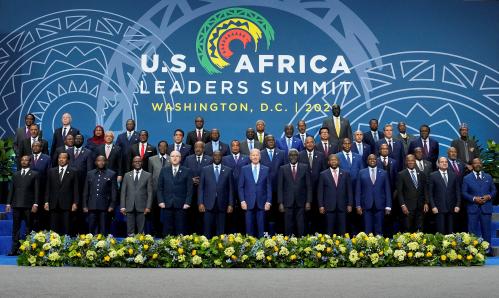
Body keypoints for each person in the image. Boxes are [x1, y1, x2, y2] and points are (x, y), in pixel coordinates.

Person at [6, 156, 39, 255]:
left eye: (26, 160)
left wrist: (36, 203)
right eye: (22, 160)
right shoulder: (16, 174)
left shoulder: (34, 174)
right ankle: (14, 249)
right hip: (16, 204)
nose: (24, 162)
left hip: (29, 205)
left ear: (30, 162)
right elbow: (11, 190)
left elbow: (37, 190)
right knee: (16, 228)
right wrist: (8, 203)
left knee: (29, 227)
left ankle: (28, 249)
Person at [462, 158, 496, 252]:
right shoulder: (467, 178)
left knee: (486, 231)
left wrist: (488, 196)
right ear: (472, 165)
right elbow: (464, 193)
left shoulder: (488, 177)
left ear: (482, 164)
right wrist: (474, 198)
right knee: (472, 231)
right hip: (473, 208)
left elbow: (494, 191)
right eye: (475, 163)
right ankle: (472, 251)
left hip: (486, 208)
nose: (477, 164)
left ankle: (487, 250)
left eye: (479, 163)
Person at [198, 151, 234, 238]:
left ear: (222, 157)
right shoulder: (205, 169)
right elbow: (201, 188)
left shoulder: (228, 170)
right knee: (207, 229)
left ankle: (220, 248)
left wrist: (231, 204)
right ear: (212, 157)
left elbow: (231, 189)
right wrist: (200, 203)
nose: (217, 157)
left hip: (222, 204)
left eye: (219, 155)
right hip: (207, 204)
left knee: (221, 230)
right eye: (215, 155)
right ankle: (207, 249)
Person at [157, 151, 193, 236]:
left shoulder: (187, 171)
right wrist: (161, 201)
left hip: (181, 205)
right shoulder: (164, 170)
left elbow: (190, 189)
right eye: (172, 156)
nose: (175, 158)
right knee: (167, 229)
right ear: (170, 158)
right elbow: (159, 188)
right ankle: (167, 247)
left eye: (177, 156)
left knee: (180, 229)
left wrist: (187, 202)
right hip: (167, 204)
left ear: (180, 158)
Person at [277, 149, 312, 236]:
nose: (293, 157)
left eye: (295, 155)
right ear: (288, 157)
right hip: (287, 202)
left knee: (301, 224)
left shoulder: (305, 167)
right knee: (288, 224)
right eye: (291, 155)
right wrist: (280, 203)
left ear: (298, 156)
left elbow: (308, 186)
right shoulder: (283, 168)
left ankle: (301, 243)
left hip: (301, 201)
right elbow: (280, 187)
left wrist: (308, 201)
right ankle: (288, 242)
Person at [238, 149, 272, 237]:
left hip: (262, 203)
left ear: (260, 157)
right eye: (253, 155)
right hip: (248, 203)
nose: (255, 157)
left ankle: (261, 246)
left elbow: (268, 187)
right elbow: (240, 187)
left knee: (262, 227)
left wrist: (268, 202)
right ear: (250, 157)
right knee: (249, 227)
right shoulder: (244, 169)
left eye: (257, 155)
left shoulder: (266, 169)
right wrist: (242, 201)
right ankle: (249, 246)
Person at [355, 154, 391, 235]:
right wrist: (358, 205)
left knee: (379, 230)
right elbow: (358, 190)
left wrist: (388, 206)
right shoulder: (361, 172)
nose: (372, 160)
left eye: (374, 159)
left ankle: (379, 246)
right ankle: (368, 247)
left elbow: (387, 190)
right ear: (367, 161)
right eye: (370, 159)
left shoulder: (383, 173)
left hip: (380, 205)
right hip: (366, 205)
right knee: (367, 230)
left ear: (377, 161)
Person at [44, 152, 79, 235]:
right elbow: (48, 188)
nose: (61, 159)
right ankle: (53, 246)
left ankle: (65, 246)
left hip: (67, 204)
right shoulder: (51, 171)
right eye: (60, 158)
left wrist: (75, 203)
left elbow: (76, 189)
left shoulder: (73, 171)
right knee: (53, 228)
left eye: (64, 158)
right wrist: (46, 201)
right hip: (53, 203)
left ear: (68, 160)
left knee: (66, 227)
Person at [317, 154, 352, 235]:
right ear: (329, 162)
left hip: (342, 206)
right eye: (332, 160)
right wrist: (321, 205)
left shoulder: (345, 173)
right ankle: (329, 247)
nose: (334, 161)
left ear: (338, 161)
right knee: (329, 230)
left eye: (335, 160)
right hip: (329, 206)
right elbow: (320, 191)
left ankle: (343, 246)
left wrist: (350, 204)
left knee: (342, 230)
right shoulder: (323, 174)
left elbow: (349, 190)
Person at [82, 156, 117, 235]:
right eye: (99, 161)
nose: (101, 162)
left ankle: (103, 246)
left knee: (103, 228)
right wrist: (84, 205)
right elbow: (86, 191)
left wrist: (112, 205)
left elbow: (114, 192)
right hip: (92, 205)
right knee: (91, 228)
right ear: (95, 162)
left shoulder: (111, 174)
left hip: (105, 206)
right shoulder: (90, 173)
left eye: (103, 161)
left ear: (106, 162)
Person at [298, 136, 326, 233]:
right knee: (304, 214)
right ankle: (305, 235)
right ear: (304, 144)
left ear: (314, 143)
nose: (309, 144)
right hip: (304, 191)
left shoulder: (321, 155)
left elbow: (324, 172)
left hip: (318, 190)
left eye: (311, 142)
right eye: (307, 142)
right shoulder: (300, 155)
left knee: (317, 215)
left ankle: (317, 235)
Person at [260, 135, 287, 234]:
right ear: (265, 142)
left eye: (272, 140)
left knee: (279, 213)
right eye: (268, 140)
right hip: (264, 189)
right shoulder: (260, 154)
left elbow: (285, 170)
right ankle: (266, 234)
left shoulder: (282, 153)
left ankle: (279, 234)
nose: (271, 142)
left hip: (279, 188)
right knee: (266, 213)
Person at [184, 141, 212, 234]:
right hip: (191, 192)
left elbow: (212, 175)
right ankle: (191, 235)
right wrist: (191, 180)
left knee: (203, 215)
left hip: (205, 192)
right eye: (196, 147)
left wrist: (202, 181)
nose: (197, 149)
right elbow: (184, 174)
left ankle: (203, 234)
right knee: (191, 215)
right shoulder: (188, 159)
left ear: (203, 149)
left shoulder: (209, 159)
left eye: (200, 147)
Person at [120, 156, 153, 235]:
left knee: (141, 230)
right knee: (130, 229)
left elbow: (150, 192)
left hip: (142, 206)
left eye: (139, 161)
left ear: (142, 163)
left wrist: (148, 207)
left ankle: (141, 244)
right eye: (135, 161)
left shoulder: (148, 175)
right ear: (132, 163)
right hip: (129, 206)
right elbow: (123, 192)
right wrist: (122, 206)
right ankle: (130, 243)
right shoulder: (127, 175)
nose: (137, 163)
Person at [222, 140, 250, 233]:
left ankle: (242, 233)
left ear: (239, 147)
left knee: (243, 213)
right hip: (229, 189)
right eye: (233, 145)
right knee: (230, 213)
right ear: (231, 147)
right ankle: (230, 233)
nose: (235, 147)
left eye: (237, 145)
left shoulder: (246, 158)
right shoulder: (225, 159)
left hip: (243, 189)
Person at [397, 154, 429, 232]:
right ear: (406, 162)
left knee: (419, 228)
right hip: (408, 207)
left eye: (412, 160)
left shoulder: (421, 174)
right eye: (409, 161)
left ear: (415, 162)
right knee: (407, 228)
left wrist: (426, 202)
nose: (411, 162)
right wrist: (403, 205)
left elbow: (425, 189)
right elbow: (399, 192)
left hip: (420, 206)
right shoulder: (401, 174)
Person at [429, 157, 461, 234]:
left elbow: (457, 191)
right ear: (438, 164)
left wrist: (458, 205)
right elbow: (430, 193)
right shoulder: (433, 175)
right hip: (438, 208)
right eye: (442, 162)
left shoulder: (453, 175)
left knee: (451, 232)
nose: (444, 163)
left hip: (452, 208)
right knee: (440, 231)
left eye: (446, 162)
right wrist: (433, 206)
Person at [147, 140, 171, 236]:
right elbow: (150, 175)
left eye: (164, 146)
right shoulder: (151, 159)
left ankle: (165, 232)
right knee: (155, 213)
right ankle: (155, 231)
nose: (162, 148)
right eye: (160, 146)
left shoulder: (171, 158)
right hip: (155, 191)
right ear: (158, 148)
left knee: (166, 213)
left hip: (168, 191)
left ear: (167, 148)